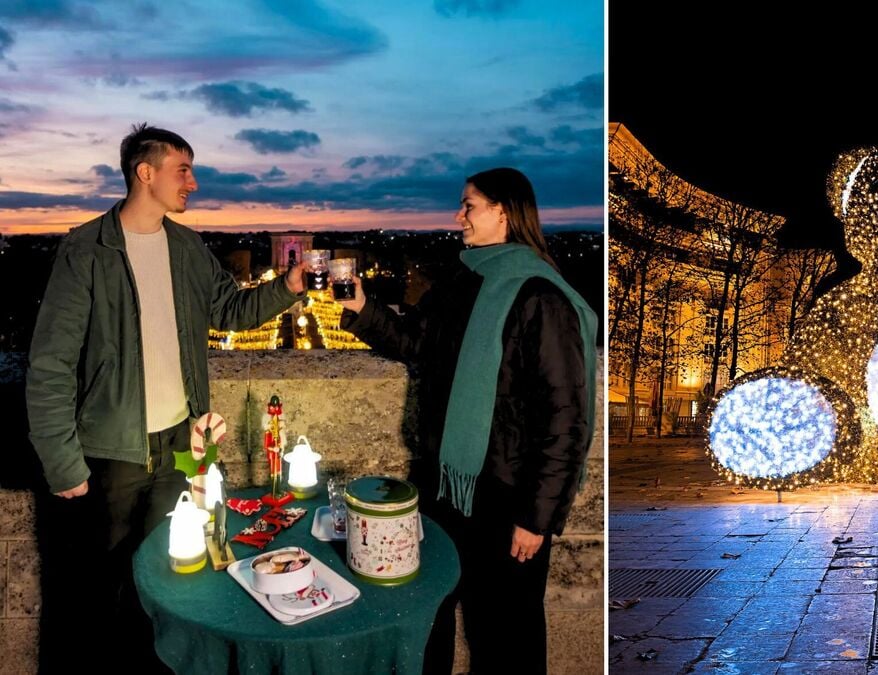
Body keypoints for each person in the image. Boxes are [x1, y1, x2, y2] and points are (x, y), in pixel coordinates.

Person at [25, 123, 308, 670]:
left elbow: (230, 311)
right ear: (145, 173)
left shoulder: (186, 246)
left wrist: (289, 288)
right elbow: (50, 364)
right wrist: (63, 463)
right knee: (92, 594)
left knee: (161, 586)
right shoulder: (87, 250)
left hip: (179, 447)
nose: (194, 184)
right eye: (184, 170)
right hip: (108, 456)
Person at [337, 167, 596, 674]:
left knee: (504, 636)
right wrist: (363, 307)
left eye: (469, 205)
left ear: (503, 211)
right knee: (428, 616)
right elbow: (417, 344)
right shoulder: (463, 280)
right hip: (443, 487)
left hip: (505, 497)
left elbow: (566, 417)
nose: (459, 216)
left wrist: (535, 518)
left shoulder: (541, 297)